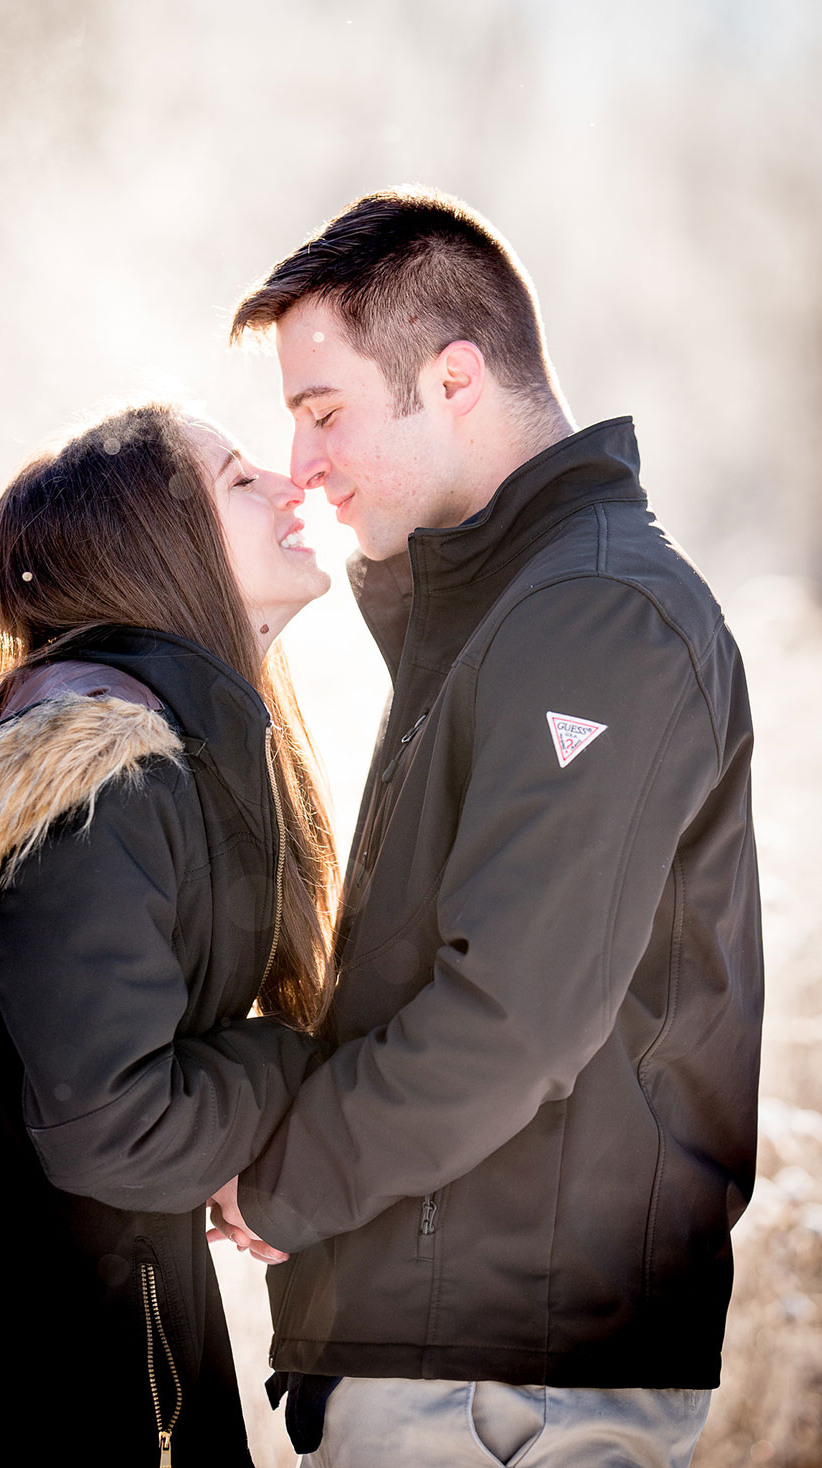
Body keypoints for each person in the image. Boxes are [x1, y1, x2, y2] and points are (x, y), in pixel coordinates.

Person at [210, 188, 764, 1467]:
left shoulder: (595, 618)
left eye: (322, 411)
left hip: (504, 1383)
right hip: (464, 1358)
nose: (302, 466)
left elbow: (512, 1013)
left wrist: (287, 1181)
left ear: (452, 377)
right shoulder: (503, 609)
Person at [0, 402, 340, 1467]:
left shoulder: (174, 749)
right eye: (239, 478)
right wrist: (294, 1065)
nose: (290, 482)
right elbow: (111, 1129)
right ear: (155, 549)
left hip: (94, 1324)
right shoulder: (103, 780)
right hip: (39, 1380)